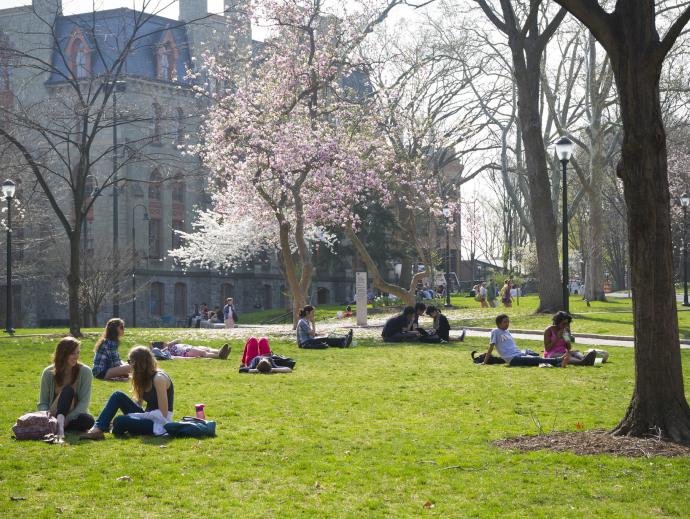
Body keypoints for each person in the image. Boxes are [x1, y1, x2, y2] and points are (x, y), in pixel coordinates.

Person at [80, 346, 174, 440]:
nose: (129, 365)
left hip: (159, 423)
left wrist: (135, 416)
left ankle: (112, 427)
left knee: (120, 420)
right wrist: (134, 415)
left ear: (140, 363)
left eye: (130, 362)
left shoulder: (159, 379)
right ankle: (97, 429)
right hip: (148, 417)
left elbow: (163, 414)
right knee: (118, 395)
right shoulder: (142, 377)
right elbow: (138, 404)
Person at [38, 337, 95, 442]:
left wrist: (67, 419)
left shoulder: (85, 372)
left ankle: (60, 426)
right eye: (72, 353)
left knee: (88, 420)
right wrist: (47, 418)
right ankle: (57, 425)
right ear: (63, 354)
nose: (76, 356)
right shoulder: (48, 372)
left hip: (74, 415)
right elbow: (43, 402)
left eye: (78, 353)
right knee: (68, 390)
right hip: (54, 414)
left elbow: (84, 403)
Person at [484, 314, 566, 367]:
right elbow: (491, 347)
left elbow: (569, 345)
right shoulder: (495, 331)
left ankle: (558, 363)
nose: (507, 324)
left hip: (518, 354)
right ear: (498, 324)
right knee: (536, 360)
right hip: (513, 359)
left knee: (535, 358)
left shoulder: (506, 331)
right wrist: (485, 362)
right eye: (505, 322)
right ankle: (558, 360)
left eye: (508, 322)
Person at [151, 340, 230, 360]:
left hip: (188, 347)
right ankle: (220, 355)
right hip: (186, 351)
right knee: (203, 353)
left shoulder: (170, 345)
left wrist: (169, 343)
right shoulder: (165, 351)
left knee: (206, 348)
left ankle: (221, 351)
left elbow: (178, 340)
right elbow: (173, 357)